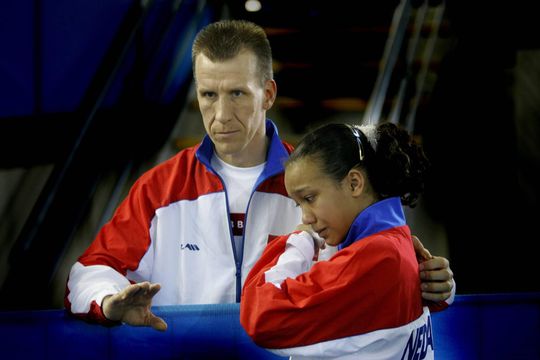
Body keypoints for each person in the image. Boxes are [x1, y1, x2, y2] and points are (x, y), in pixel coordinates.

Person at [64, 19, 454, 331]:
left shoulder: (322, 187)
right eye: (208, 95)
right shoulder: (160, 188)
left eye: (237, 94)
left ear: (267, 94)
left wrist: (435, 287)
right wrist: (108, 301)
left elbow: (383, 265)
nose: (220, 116)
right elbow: (92, 269)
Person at [240, 122, 449, 359]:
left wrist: (300, 241)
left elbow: (262, 316)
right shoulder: (393, 243)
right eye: (300, 204)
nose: (305, 217)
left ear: (354, 183)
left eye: (310, 198)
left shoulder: (378, 256)